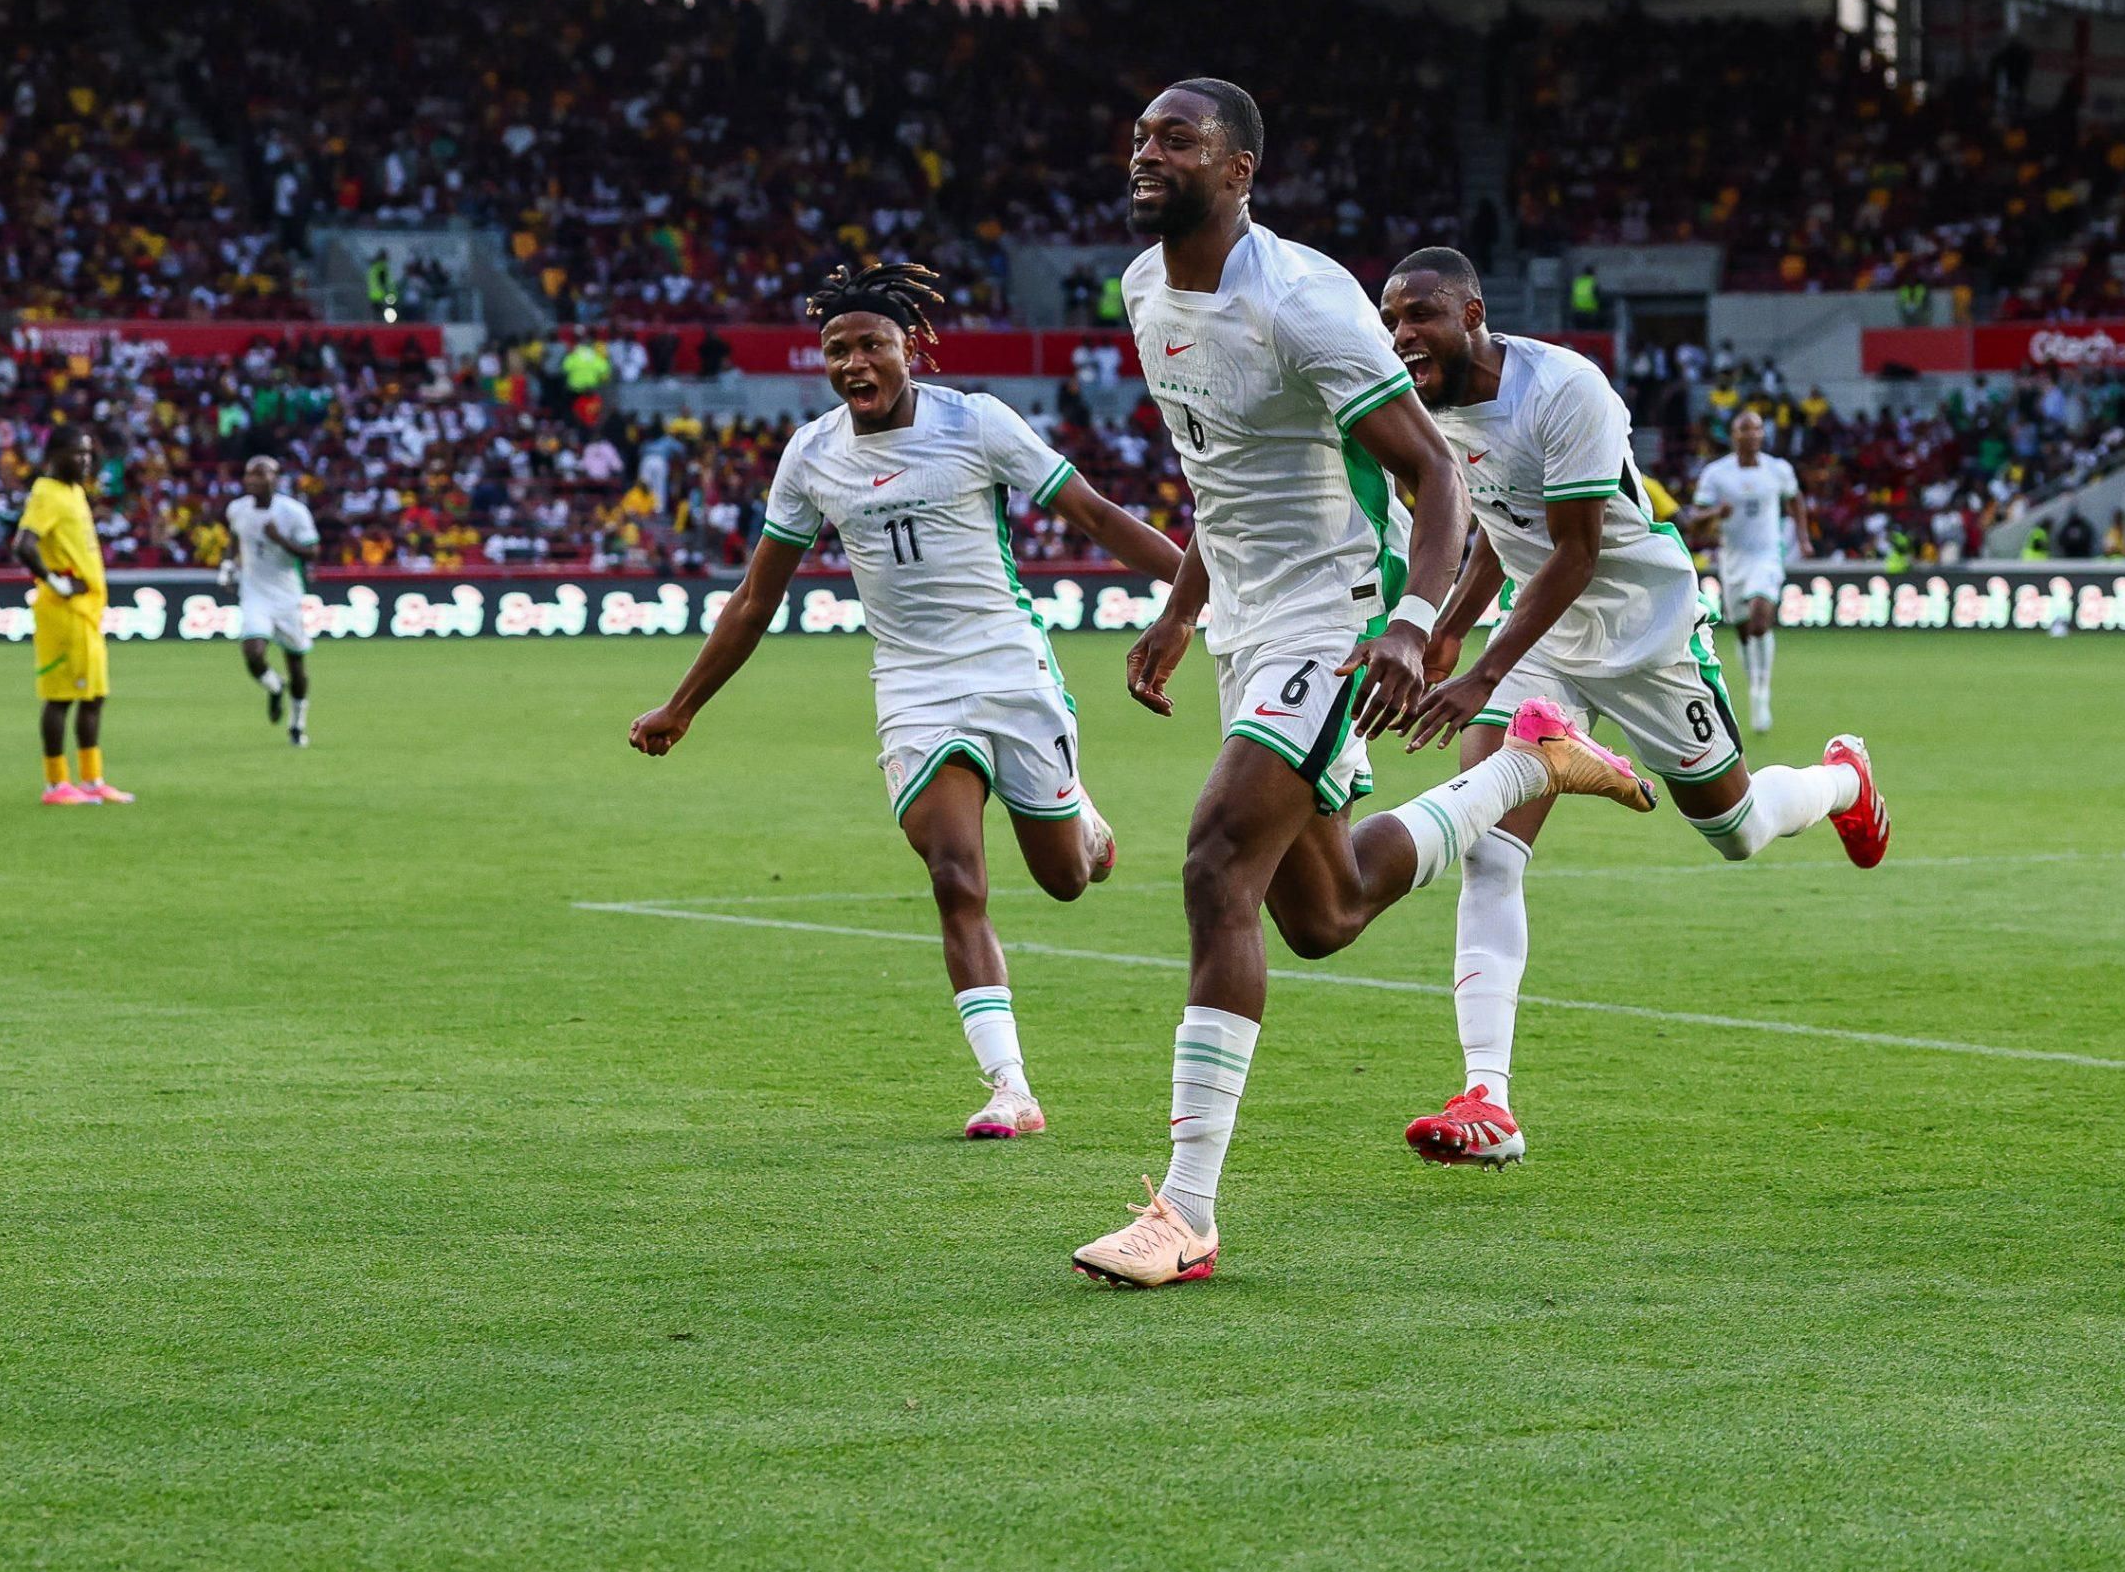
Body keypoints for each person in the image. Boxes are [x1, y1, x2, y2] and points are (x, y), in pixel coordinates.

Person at [1069, 81, 1658, 1291]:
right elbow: (1216, 479)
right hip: (1248, 617)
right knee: (1320, 914)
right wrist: (1184, 609)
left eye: (1175, 138)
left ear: (1237, 171)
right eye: (1139, 136)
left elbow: (1436, 476)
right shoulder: (1141, 289)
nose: (1146, 152)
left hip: (1333, 610)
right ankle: (1526, 769)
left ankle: (1183, 1213)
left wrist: (1406, 626)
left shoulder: (1305, 298)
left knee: (1214, 858)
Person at [625, 264, 1186, 1140]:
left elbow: (1099, 518)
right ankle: (1011, 1087)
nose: (854, 363)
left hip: (1009, 668)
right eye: (837, 349)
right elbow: (753, 599)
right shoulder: (812, 456)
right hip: (913, 686)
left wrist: (1200, 591)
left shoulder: (977, 423)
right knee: (955, 876)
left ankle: (1082, 821)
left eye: (871, 345)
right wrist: (682, 704)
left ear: (910, 350)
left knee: (1066, 881)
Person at [1379, 248, 1889, 1165]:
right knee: (1494, 850)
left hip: (1642, 631)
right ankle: (1488, 1099)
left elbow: (1574, 551)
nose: (1403, 334)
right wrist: (1450, 628)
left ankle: (1841, 781)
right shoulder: (1429, 408)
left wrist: (1482, 671)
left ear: (1473, 312)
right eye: (1392, 321)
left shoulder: (1564, 387)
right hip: (1539, 641)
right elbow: (1502, 521)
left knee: (1734, 828)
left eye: (1420, 315)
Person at [12, 427, 133, 805]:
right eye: (76, 453)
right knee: (62, 698)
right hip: (64, 610)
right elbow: (24, 545)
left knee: (94, 696)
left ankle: (92, 778)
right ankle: (55, 784)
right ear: (54, 454)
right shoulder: (46, 492)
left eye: (87, 453)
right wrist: (54, 582)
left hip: (87, 610)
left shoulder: (75, 491)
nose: (84, 460)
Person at [1689, 411, 1801, 734]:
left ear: (1762, 435)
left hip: (1767, 555)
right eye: (1744, 429)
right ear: (1733, 435)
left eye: (1756, 428)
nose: (1751, 434)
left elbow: (1796, 500)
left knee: (1760, 618)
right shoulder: (1716, 473)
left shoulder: (1778, 470)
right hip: (1733, 559)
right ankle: (1754, 679)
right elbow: (1695, 517)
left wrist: (1804, 538)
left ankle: (1760, 692)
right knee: (1741, 628)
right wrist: (1715, 512)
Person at [223, 455, 319, 745]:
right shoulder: (237, 509)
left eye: (260, 475)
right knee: (252, 652)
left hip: (286, 595)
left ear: (275, 479)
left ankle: (297, 725)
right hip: (254, 593)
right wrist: (228, 567)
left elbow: (312, 553)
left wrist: (280, 540)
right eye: (249, 474)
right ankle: (275, 687)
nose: (252, 480)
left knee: (296, 663)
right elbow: (234, 539)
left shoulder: (293, 512)